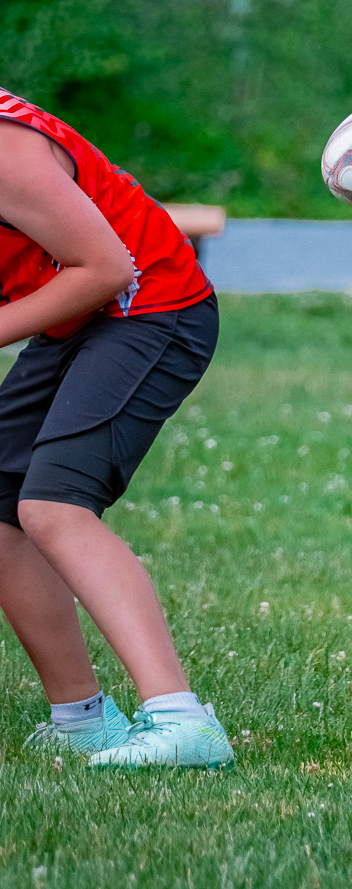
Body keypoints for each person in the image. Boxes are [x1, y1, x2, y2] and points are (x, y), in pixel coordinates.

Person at [0, 89, 232, 768]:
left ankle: (182, 722)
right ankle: (83, 721)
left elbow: (107, 269)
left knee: (53, 505)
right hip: (76, 319)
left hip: (152, 305)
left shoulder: (6, 149)